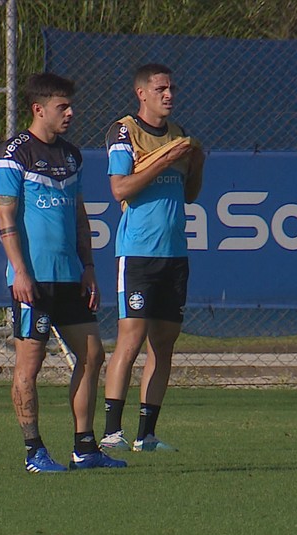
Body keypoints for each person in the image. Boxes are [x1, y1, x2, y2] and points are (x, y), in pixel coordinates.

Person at [0, 73, 127, 473]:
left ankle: (84, 448)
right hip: (32, 280)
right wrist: (20, 272)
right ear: (39, 109)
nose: (70, 113)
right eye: (62, 107)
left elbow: (80, 216)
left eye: (70, 105)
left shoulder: (71, 155)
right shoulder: (13, 154)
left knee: (93, 354)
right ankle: (34, 451)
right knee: (29, 365)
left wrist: (89, 267)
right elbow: (5, 218)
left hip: (70, 275)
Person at [99, 64, 204, 453]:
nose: (169, 94)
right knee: (130, 339)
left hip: (174, 253)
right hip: (138, 253)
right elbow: (120, 189)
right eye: (161, 88)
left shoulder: (179, 134)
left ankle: (147, 435)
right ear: (141, 93)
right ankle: (112, 432)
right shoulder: (124, 131)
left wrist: (197, 162)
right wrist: (164, 158)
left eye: (172, 87)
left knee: (164, 344)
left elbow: (188, 194)